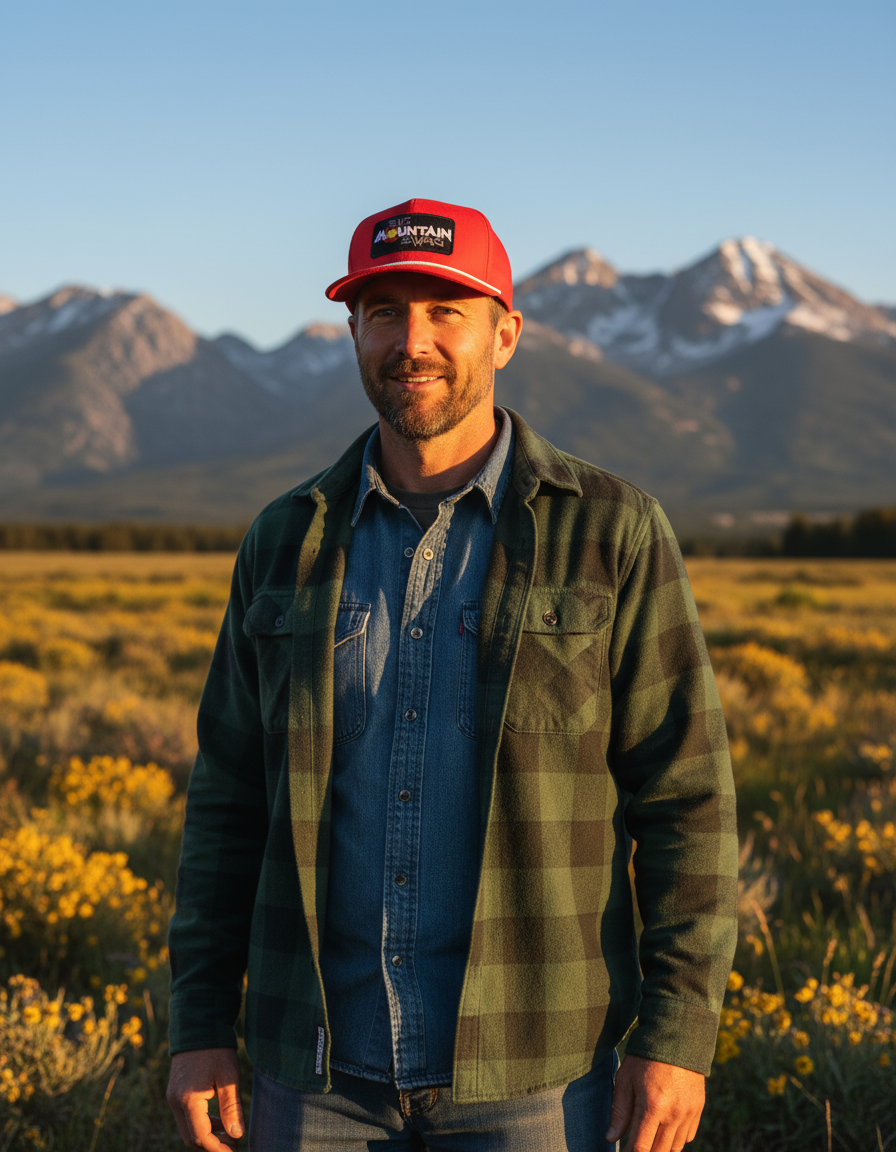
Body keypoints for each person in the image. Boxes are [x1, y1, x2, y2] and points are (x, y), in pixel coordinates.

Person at [166, 198, 738, 1152]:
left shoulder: (611, 531)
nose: (412, 340)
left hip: (537, 1074)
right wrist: (198, 1028)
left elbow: (686, 800)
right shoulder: (285, 539)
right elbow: (227, 800)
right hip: (313, 1070)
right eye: (384, 312)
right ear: (352, 332)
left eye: (446, 311)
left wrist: (677, 1038)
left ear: (505, 334)